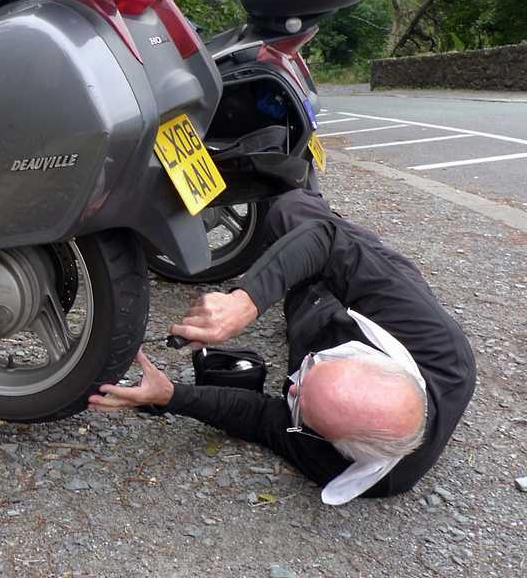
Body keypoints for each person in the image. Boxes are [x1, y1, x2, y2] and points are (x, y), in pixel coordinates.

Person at [89, 189, 477, 504]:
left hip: (311, 316)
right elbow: (327, 243)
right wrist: (247, 302)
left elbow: (259, 418)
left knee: (296, 276)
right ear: (376, 361)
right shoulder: (435, 341)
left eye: (301, 405)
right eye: (314, 369)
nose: (291, 386)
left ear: (337, 444)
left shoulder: (342, 468)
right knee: (288, 208)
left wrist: (170, 395)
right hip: (375, 291)